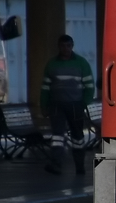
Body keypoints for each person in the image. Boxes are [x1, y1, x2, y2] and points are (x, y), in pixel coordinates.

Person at [40, 34, 95, 174]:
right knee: (57, 135)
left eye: (68, 46)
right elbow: (45, 87)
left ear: (72, 46)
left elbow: (89, 85)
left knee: (77, 136)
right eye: (63, 46)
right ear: (59, 47)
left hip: (75, 105)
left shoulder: (81, 63)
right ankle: (56, 163)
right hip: (56, 105)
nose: (66, 49)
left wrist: (84, 103)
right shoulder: (52, 64)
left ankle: (79, 166)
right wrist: (44, 105)